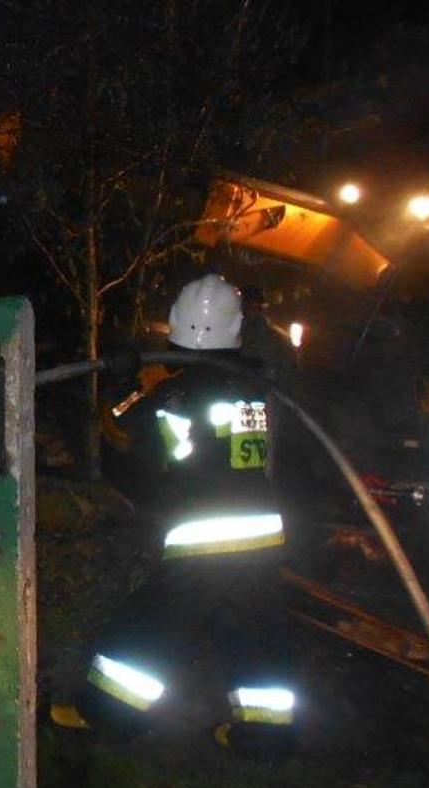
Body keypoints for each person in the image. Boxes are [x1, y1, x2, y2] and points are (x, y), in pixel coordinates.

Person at [54, 273, 299, 758]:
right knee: (257, 634)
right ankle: (266, 736)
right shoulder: (251, 387)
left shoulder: (179, 397)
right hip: (261, 533)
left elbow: (128, 431)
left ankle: (107, 716)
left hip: (204, 537)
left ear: (174, 325)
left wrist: (123, 381)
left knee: (147, 628)